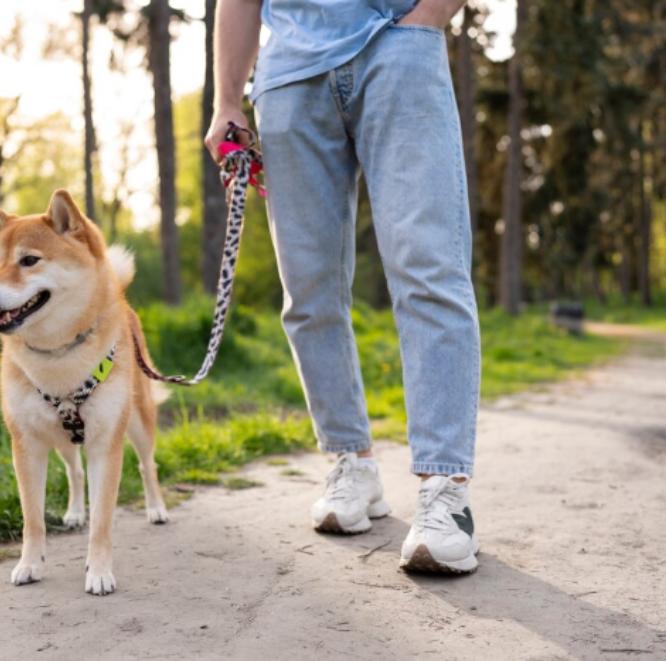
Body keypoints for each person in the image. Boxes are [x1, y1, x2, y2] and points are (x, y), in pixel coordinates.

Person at [205, 0, 481, 573]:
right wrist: (226, 99)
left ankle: (445, 488)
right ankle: (350, 461)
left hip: (398, 47)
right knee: (308, 292)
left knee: (428, 270)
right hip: (286, 77)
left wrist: (427, 17)